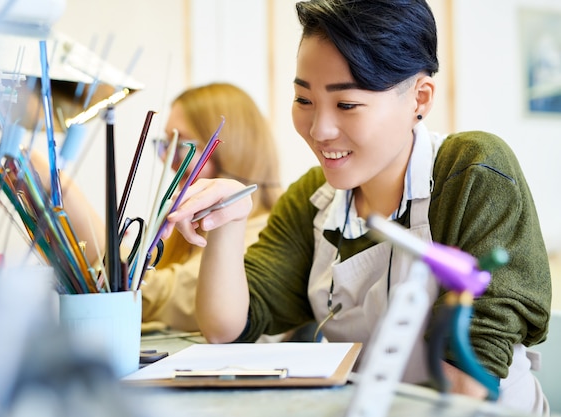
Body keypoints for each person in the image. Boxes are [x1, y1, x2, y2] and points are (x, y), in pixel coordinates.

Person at [161, 0, 552, 414]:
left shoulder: (473, 171)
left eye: (346, 104)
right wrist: (229, 220)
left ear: (419, 97)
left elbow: (466, 387)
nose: (319, 130)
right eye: (303, 99)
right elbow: (226, 328)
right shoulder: (314, 197)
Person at [141, 82, 283, 333]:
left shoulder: (265, 233)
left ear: (230, 150)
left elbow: (172, 294)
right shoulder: (187, 227)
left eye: (181, 144)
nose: (165, 157)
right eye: (166, 143)